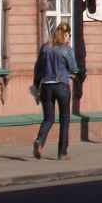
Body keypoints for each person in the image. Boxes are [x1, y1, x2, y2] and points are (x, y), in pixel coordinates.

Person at [33, 21, 77, 160]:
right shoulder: (66, 49)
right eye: (68, 35)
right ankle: (62, 153)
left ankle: (40, 140)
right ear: (65, 34)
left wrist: (36, 85)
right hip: (61, 85)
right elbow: (73, 68)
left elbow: (38, 68)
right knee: (64, 118)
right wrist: (69, 50)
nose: (68, 38)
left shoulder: (45, 48)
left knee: (48, 118)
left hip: (46, 85)